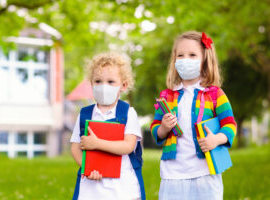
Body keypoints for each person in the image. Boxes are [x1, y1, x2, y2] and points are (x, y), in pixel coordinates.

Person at [150, 31, 237, 200]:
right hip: (172, 174)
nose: (185, 60)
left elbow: (230, 125)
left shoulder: (215, 94)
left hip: (205, 172)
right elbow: (155, 130)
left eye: (192, 55)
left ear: (205, 59)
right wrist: (163, 128)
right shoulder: (167, 96)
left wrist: (216, 139)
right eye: (180, 55)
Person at [71, 52, 145, 200]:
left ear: (123, 85)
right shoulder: (85, 114)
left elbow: (128, 146)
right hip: (91, 189)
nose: (104, 86)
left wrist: (97, 143)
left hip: (122, 189)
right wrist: (87, 168)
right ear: (91, 83)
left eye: (111, 82)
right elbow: (75, 146)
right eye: (98, 81)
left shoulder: (128, 113)